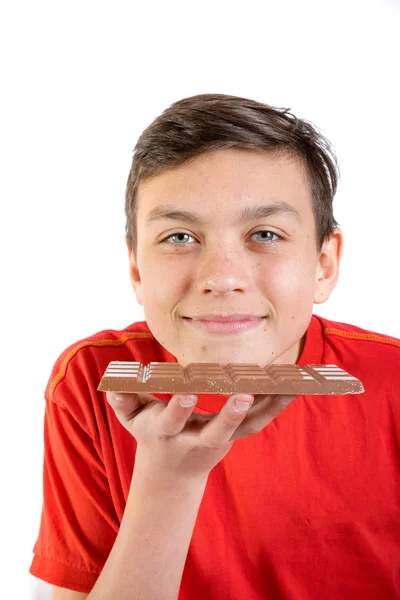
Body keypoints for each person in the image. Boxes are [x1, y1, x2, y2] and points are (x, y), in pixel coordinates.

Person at [29, 94, 400, 600]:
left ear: (325, 263)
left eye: (265, 234)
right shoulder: (92, 379)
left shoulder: (393, 381)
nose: (222, 278)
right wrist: (166, 483)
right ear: (137, 269)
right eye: (180, 237)